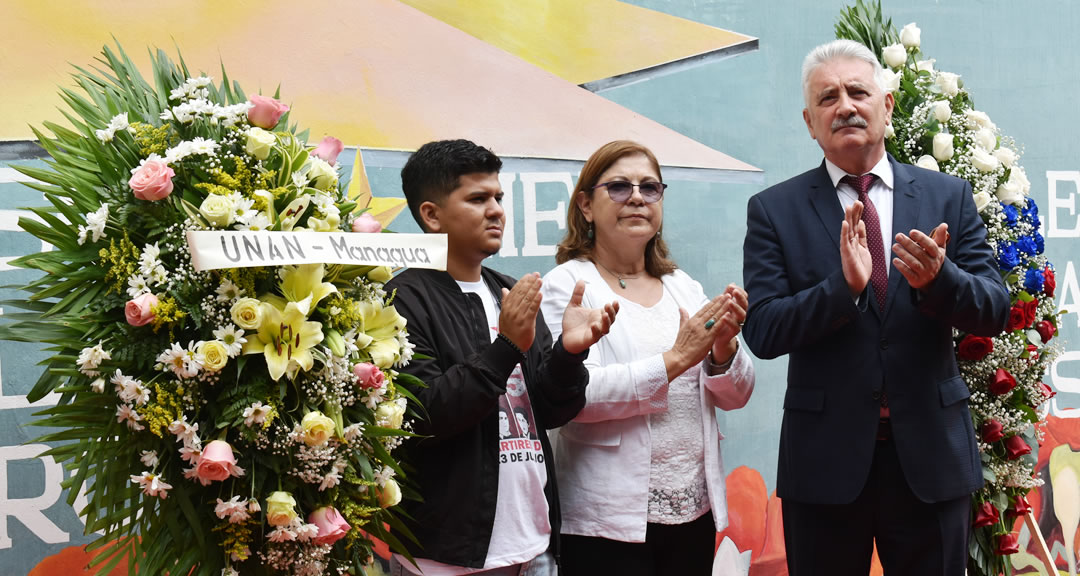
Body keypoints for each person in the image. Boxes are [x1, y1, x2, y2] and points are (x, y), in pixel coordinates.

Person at [741, 40, 1009, 575]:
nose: (844, 106)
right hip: (825, 466)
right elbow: (764, 331)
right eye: (827, 98)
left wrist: (940, 280)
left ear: (886, 106)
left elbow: (994, 309)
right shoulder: (775, 209)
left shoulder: (946, 196)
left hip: (930, 461)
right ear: (809, 121)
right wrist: (841, 289)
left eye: (858, 92)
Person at [385, 139, 618, 576]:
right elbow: (424, 416)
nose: (496, 210)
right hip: (447, 554)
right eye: (477, 198)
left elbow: (551, 411)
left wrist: (569, 354)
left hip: (532, 546)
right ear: (431, 215)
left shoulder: (507, 289)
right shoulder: (401, 300)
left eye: (498, 197)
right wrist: (506, 346)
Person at [539, 140, 755, 575]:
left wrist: (722, 349)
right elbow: (576, 398)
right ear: (585, 205)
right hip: (608, 521)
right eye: (619, 187)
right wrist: (675, 358)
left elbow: (736, 396)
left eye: (650, 188)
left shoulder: (682, 284)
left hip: (692, 509)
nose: (637, 197)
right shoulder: (569, 285)